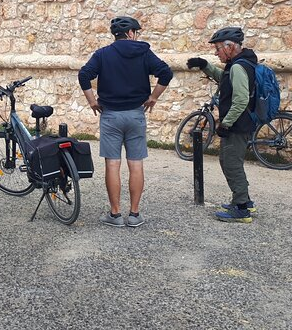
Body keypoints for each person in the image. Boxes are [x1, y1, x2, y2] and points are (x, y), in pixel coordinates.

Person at [78, 16, 173, 228]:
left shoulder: (102, 54)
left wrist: (92, 102)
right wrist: (154, 97)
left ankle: (115, 214)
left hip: (110, 115)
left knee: (112, 163)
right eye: (136, 32)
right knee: (135, 163)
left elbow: (84, 75)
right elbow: (166, 73)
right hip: (135, 115)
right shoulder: (143, 53)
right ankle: (134, 214)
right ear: (131, 33)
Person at [187, 27, 257, 223]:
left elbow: (241, 100)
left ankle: (241, 209)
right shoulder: (239, 64)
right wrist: (204, 65)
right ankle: (245, 201)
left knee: (231, 164)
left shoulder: (238, 67)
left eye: (218, 48)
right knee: (230, 162)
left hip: (237, 125)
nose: (216, 52)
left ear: (230, 46)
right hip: (240, 123)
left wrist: (225, 124)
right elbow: (224, 79)